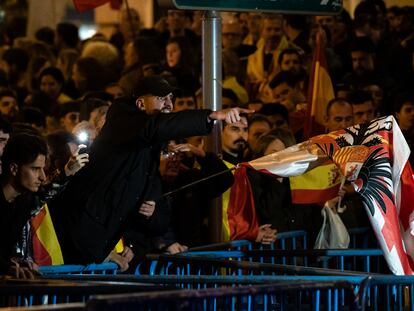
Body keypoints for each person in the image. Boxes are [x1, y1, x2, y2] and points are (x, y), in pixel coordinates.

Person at [48, 76, 252, 264]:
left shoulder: (149, 151)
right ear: (140, 103)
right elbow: (155, 126)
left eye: (171, 99)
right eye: (163, 98)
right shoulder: (121, 119)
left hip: (98, 249)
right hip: (70, 238)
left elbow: (158, 218)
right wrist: (212, 116)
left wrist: (149, 215)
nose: (169, 105)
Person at [0, 134, 47, 278]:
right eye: (35, 169)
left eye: (43, 169)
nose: (42, 177)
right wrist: (6, 268)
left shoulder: (23, 203)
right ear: (14, 169)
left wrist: (16, 262)